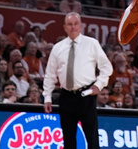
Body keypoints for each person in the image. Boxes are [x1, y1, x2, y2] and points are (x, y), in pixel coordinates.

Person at [42, 13, 113, 149]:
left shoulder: (91, 43)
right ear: (64, 27)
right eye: (69, 24)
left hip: (86, 95)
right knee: (68, 140)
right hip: (66, 96)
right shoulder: (58, 48)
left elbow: (106, 67)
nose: (73, 27)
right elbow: (50, 74)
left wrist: (98, 85)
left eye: (75, 24)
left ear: (81, 26)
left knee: (92, 139)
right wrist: (47, 97)